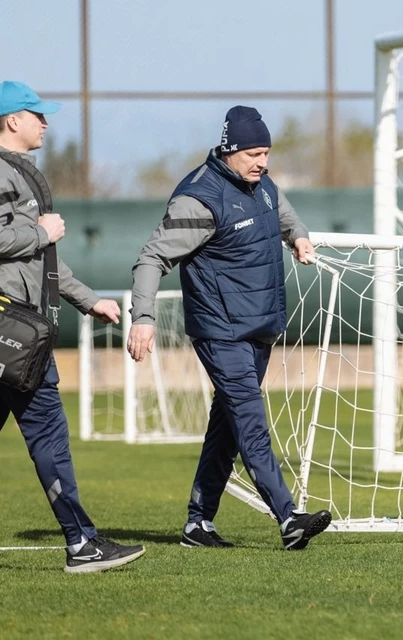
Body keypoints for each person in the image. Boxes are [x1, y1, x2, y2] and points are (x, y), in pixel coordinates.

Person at [0, 81, 145, 572]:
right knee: (48, 434)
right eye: (37, 115)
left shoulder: (12, 171)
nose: (45, 123)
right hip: (12, 330)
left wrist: (89, 301)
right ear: (11, 120)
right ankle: (82, 544)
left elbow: (41, 266)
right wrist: (41, 231)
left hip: (5, 328)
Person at [127, 106, 332, 550]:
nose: (262, 162)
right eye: (253, 154)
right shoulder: (199, 199)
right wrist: (142, 319)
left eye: (267, 153)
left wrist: (297, 235)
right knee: (251, 420)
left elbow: (284, 214)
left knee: (228, 427)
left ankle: (198, 524)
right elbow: (151, 258)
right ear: (228, 150)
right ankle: (289, 517)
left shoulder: (264, 186)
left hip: (260, 327)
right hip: (220, 332)